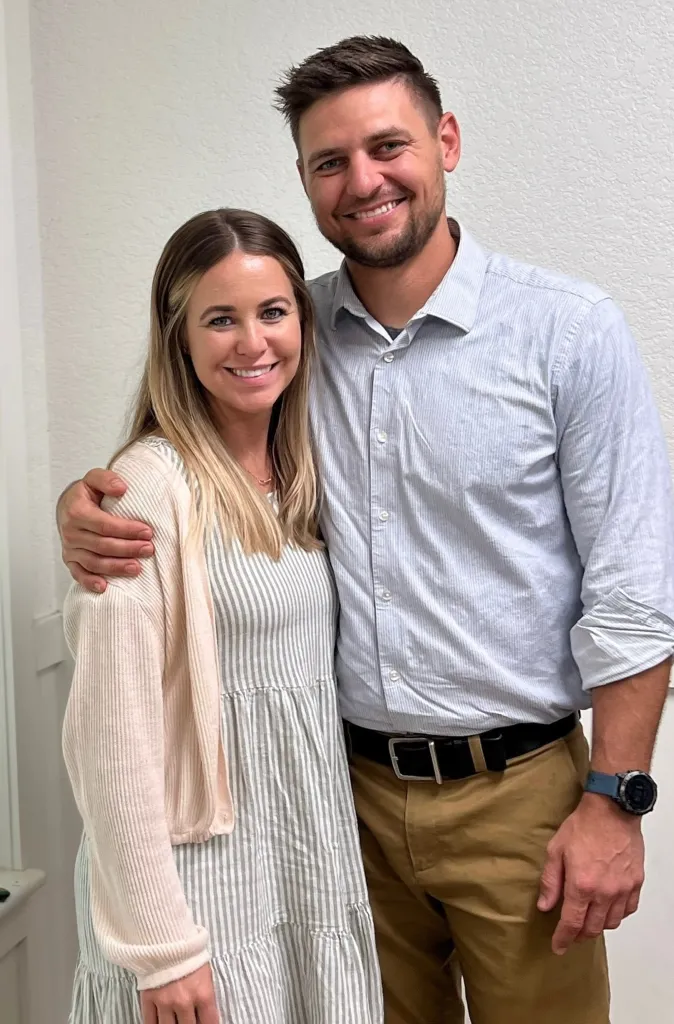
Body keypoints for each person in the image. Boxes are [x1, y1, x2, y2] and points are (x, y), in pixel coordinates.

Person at [57, 37, 674, 1024]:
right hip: (339, 802)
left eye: (387, 146)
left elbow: (634, 590)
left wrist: (615, 797)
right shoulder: (288, 332)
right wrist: (90, 504)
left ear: (446, 141)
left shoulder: (566, 330)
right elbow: (186, 445)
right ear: (303, 179)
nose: (363, 181)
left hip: (518, 796)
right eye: (328, 162)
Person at [60, 208, 383, 1024]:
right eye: (220, 319)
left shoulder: (305, 470)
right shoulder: (147, 490)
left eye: (273, 312)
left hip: (300, 858)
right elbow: (111, 738)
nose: (252, 343)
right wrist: (161, 946)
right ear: (179, 337)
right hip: (199, 887)